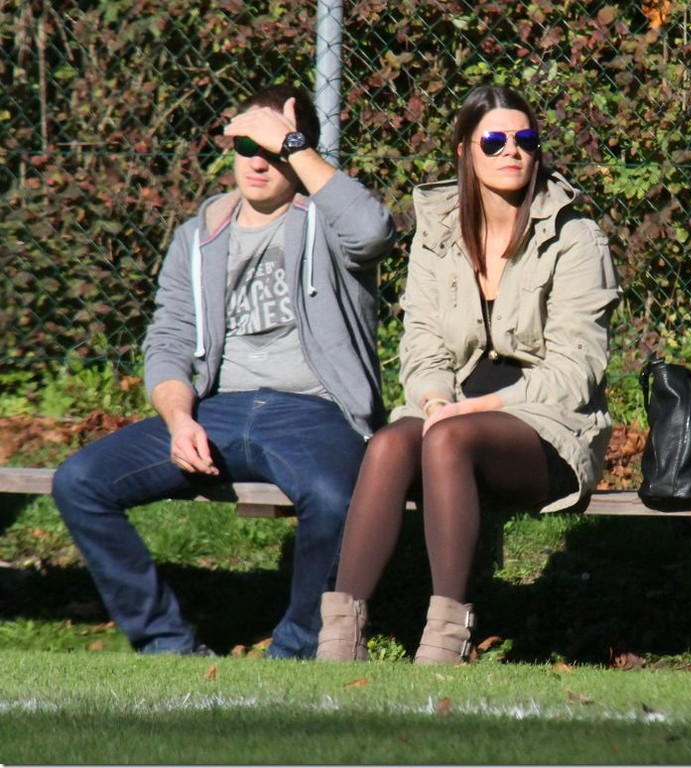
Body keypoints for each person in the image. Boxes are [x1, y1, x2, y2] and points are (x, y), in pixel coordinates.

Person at [52, 84, 396, 659]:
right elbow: (168, 340)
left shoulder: (328, 221)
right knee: (79, 481)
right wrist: (180, 419)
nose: (257, 162)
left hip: (313, 411)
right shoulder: (198, 236)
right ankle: (166, 646)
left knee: (334, 498)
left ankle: (296, 650)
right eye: (245, 146)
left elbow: (374, 231)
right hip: (217, 411)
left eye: (272, 150)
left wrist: (294, 145)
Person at [315, 84, 621, 665]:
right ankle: (340, 636)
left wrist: (467, 412)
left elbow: (575, 372)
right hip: (453, 410)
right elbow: (422, 343)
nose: (512, 151)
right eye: (495, 140)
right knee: (389, 443)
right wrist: (434, 400)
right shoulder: (437, 234)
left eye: (525, 139)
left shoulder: (576, 238)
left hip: (548, 428)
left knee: (447, 438)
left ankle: (446, 636)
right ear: (465, 150)